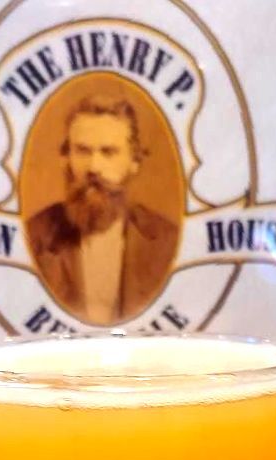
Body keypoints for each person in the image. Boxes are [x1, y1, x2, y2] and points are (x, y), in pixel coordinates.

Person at [26, 94, 179, 325]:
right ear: (66, 157)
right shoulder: (33, 237)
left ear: (134, 161)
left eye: (108, 152)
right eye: (82, 151)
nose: (94, 167)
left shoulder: (166, 241)